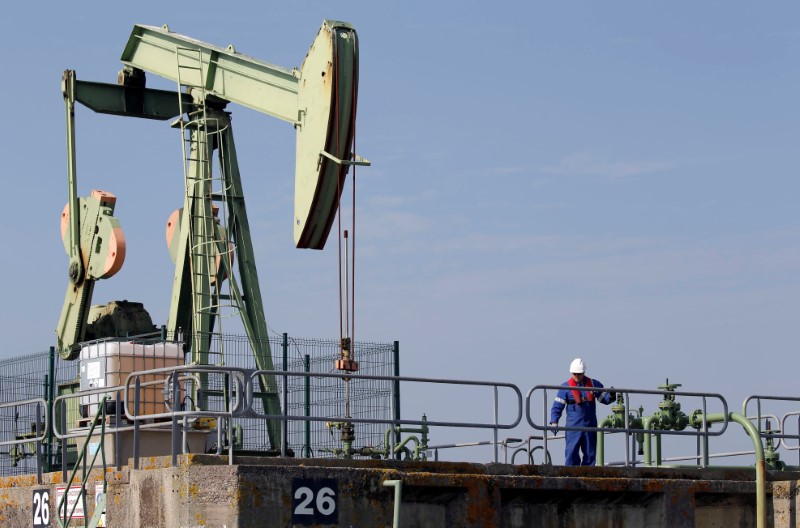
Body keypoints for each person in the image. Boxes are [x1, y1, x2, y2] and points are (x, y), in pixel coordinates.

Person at [549, 358, 614, 466]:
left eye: (579, 374)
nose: (577, 376)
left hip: (590, 425)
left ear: (583, 372)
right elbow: (557, 406)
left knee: (590, 454)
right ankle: (570, 477)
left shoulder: (593, 384)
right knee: (571, 453)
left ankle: (588, 477)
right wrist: (554, 422)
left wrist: (611, 395)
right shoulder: (565, 387)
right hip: (573, 426)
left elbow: (604, 398)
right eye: (574, 374)